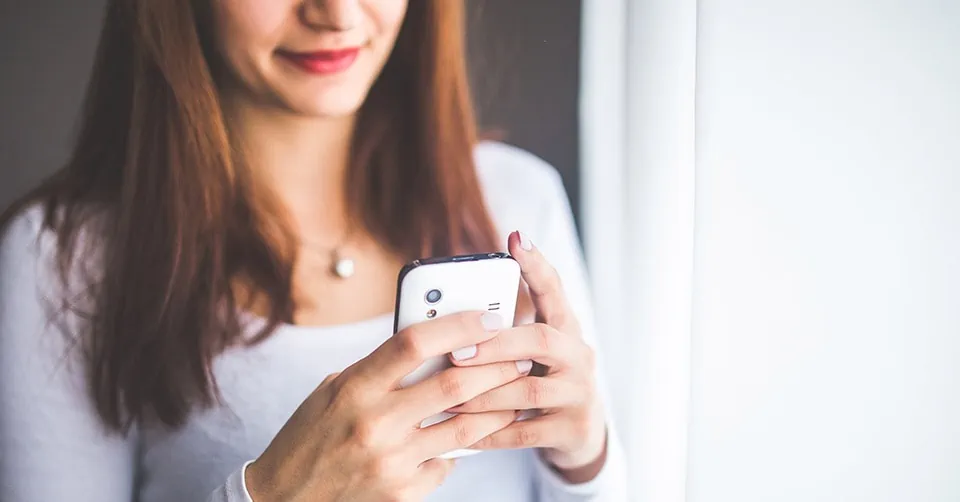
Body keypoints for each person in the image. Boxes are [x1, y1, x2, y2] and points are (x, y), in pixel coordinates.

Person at [0, 1, 628, 500]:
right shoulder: (61, 260)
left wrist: (584, 460)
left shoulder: (519, 197)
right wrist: (272, 497)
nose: (337, 14)